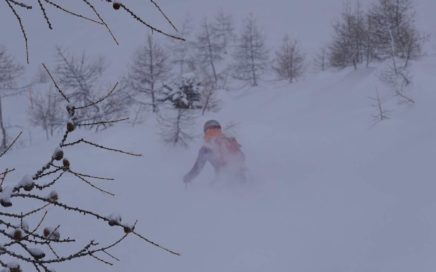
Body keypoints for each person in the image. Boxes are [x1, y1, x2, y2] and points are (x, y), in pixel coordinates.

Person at [183, 120, 246, 184]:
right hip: (241, 176)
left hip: (225, 178)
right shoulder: (228, 140)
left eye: (215, 130)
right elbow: (242, 157)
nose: (213, 133)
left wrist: (188, 177)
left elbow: (198, 167)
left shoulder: (206, 148)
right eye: (211, 131)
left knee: (215, 188)